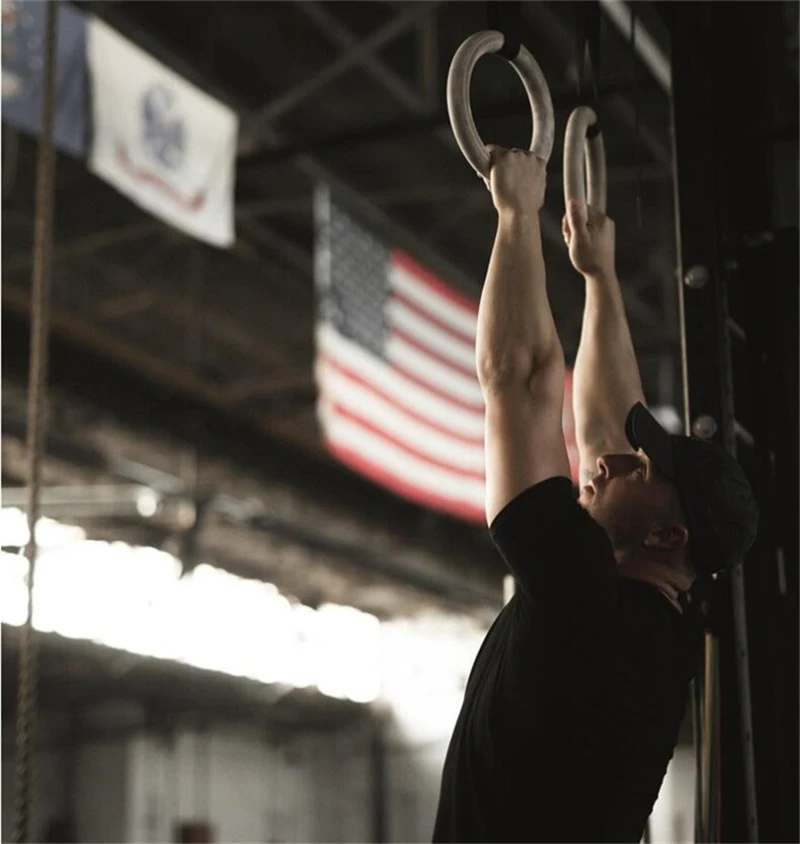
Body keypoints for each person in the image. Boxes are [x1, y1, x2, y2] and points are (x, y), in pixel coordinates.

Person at [432, 147, 759, 843]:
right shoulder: (654, 619)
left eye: (637, 469)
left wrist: (516, 213)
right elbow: (610, 422)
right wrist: (599, 278)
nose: (607, 462)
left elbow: (518, 380)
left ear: (667, 536)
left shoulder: (587, 606)